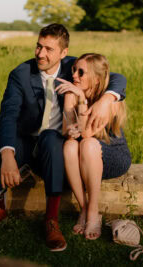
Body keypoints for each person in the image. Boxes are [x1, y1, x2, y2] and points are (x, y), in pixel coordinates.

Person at [0, 24, 127, 252]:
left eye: (48, 49)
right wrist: (7, 154)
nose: (40, 54)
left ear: (63, 53)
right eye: (38, 46)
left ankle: (51, 220)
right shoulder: (21, 74)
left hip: (56, 144)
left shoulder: (73, 68)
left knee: (52, 139)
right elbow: (7, 115)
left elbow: (115, 77)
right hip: (30, 142)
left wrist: (107, 100)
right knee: (5, 143)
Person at [56, 53, 131, 240]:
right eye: (74, 70)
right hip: (83, 158)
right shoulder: (72, 93)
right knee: (69, 146)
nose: (74, 75)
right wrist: (70, 104)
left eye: (81, 72)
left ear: (96, 79)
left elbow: (87, 134)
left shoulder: (109, 102)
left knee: (88, 143)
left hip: (112, 155)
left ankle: (93, 210)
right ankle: (85, 209)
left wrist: (81, 100)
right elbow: (67, 130)